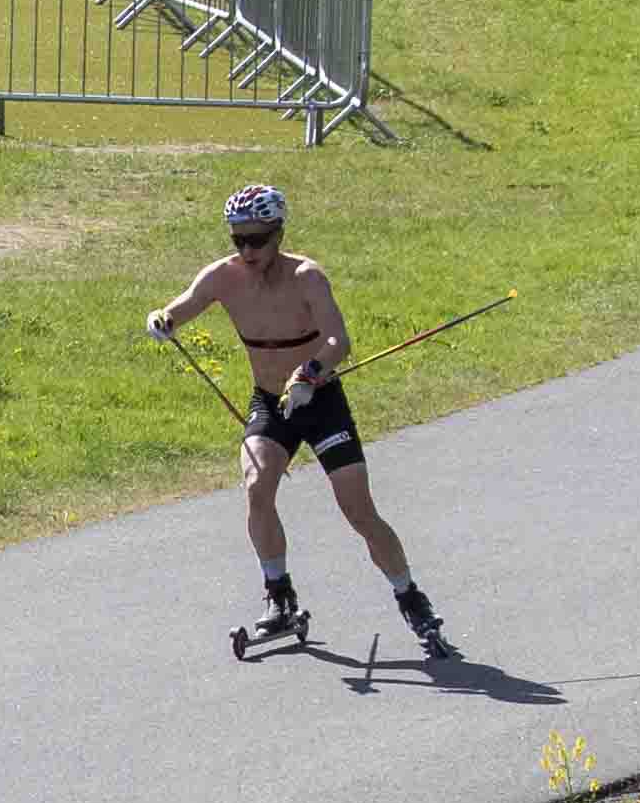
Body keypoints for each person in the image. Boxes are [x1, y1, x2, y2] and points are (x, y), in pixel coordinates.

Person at [147, 185, 438, 647]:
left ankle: (409, 595)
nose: (247, 250)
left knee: (357, 510)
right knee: (257, 486)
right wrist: (163, 319)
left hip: (319, 400)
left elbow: (339, 340)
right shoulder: (224, 276)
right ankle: (278, 595)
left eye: (257, 240)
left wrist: (310, 373)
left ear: (278, 233)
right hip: (270, 401)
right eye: (237, 240)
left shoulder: (307, 277)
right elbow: (182, 306)